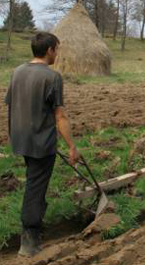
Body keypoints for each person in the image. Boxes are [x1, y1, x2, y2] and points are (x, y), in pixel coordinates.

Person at [4, 32, 80, 257]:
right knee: (35, 189)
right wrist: (72, 146)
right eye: (57, 49)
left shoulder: (17, 72)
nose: (57, 54)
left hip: (21, 139)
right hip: (41, 143)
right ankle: (29, 241)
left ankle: (34, 225)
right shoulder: (52, 77)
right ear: (49, 51)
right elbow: (60, 117)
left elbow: (12, 104)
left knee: (33, 182)